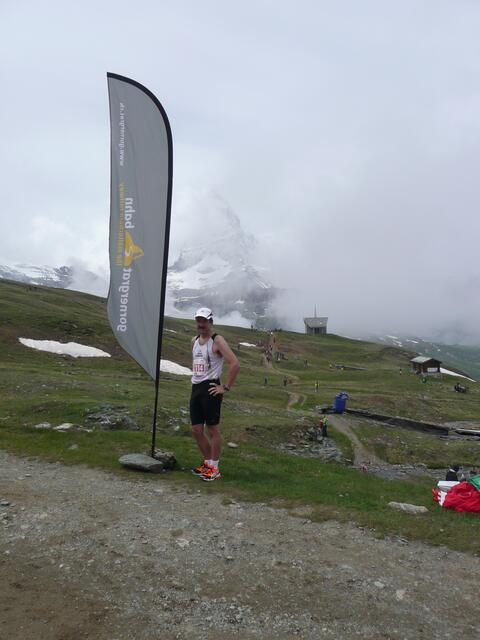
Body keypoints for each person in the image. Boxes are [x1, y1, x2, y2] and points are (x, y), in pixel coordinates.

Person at [190, 307, 240, 482]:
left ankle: (215, 468)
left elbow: (235, 363)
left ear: (211, 322)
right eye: (198, 321)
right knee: (196, 429)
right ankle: (207, 463)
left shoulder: (217, 340)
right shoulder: (194, 340)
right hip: (196, 387)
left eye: (204, 321)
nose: (201, 324)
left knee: (212, 429)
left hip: (211, 388)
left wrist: (225, 387)